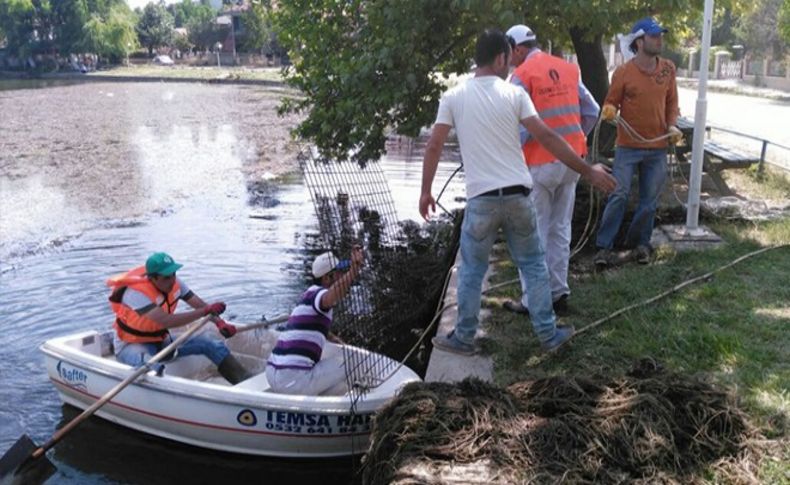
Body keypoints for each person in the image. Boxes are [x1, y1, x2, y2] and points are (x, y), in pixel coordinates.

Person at [420, 29, 616, 356]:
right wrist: (587, 170)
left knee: (471, 270)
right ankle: (549, 334)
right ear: (500, 58)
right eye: (507, 58)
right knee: (534, 264)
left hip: (482, 199)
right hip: (519, 194)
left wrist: (426, 191)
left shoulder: (453, 97)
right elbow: (550, 139)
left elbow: (434, 146)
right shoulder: (514, 95)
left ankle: (464, 337)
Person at [502, 24, 600, 317]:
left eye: (510, 53)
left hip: (538, 165)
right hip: (571, 162)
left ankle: (533, 301)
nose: (509, 59)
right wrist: (576, 139)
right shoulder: (568, 69)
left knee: (533, 233)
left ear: (517, 49)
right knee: (560, 229)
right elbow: (592, 110)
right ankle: (558, 293)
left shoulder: (521, 76)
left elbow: (517, 125)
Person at [594, 17, 681, 266]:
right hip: (628, 147)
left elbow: (671, 102)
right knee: (618, 194)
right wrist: (609, 109)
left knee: (649, 201)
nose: (659, 39)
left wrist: (672, 124)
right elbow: (611, 102)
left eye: (660, 35)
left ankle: (639, 245)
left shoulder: (668, 69)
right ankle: (603, 247)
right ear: (639, 42)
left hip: (657, 148)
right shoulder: (623, 73)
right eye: (654, 36)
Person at [108, 252, 252, 384]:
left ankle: (244, 383)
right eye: (166, 277)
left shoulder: (175, 284)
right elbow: (167, 320)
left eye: (174, 274)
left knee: (212, 344)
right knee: (151, 368)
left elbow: (199, 304)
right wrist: (204, 311)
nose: (172, 280)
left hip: (162, 341)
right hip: (131, 345)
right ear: (153, 278)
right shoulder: (135, 293)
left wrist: (220, 323)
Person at [266, 246, 364, 395]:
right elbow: (330, 296)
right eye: (338, 273)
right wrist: (354, 270)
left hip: (272, 373)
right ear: (326, 278)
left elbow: (314, 326)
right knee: (349, 362)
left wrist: (334, 339)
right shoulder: (320, 295)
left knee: (338, 363)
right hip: (291, 380)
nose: (341, 276)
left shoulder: (308, 294)